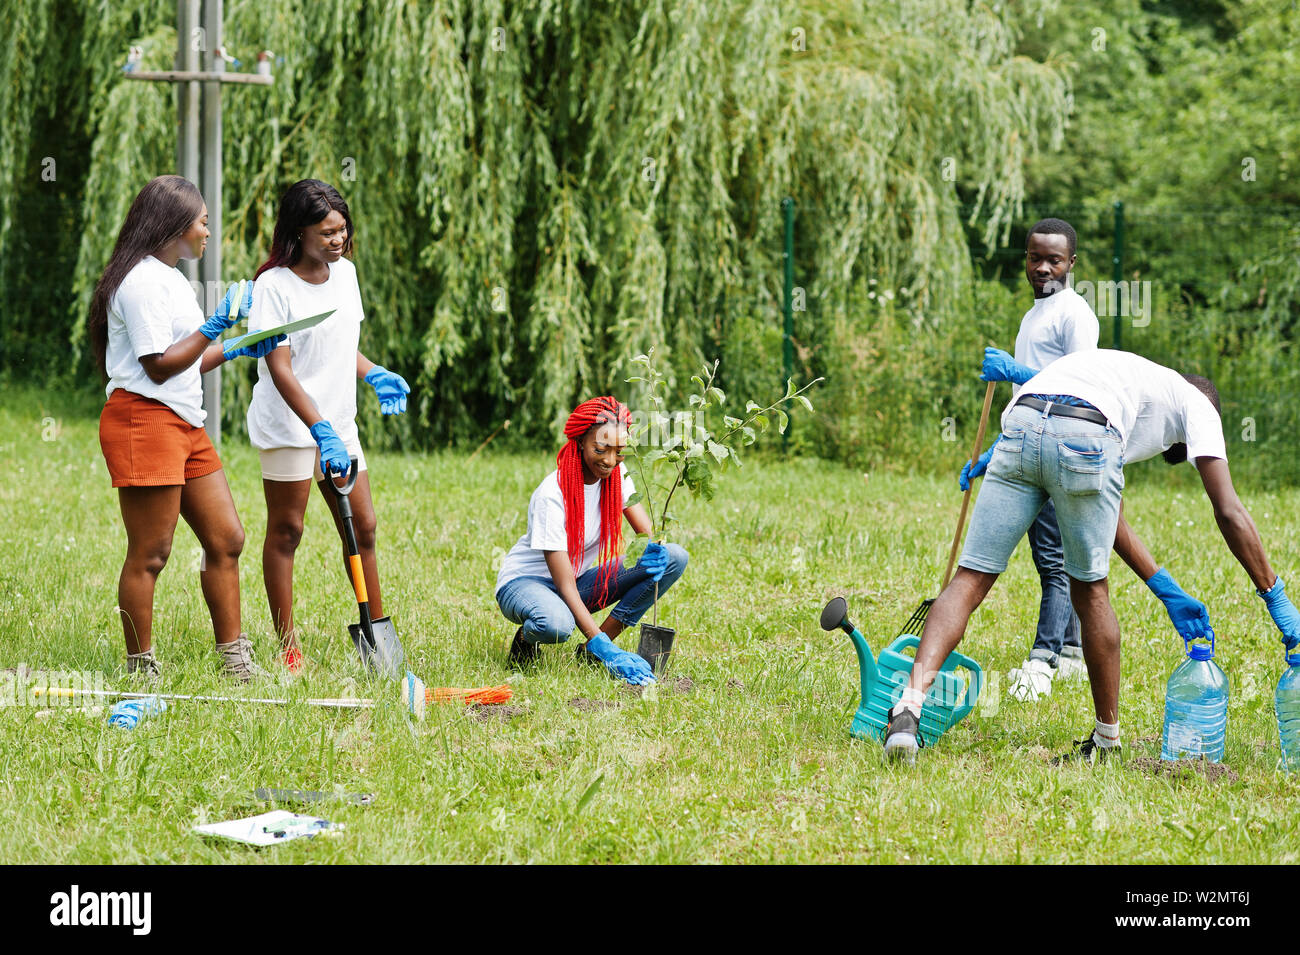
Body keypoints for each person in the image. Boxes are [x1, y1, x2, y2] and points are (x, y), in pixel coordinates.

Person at [883, 349, 1300, 765]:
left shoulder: (1131, 381)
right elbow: (1229, 510)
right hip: (1084, 432)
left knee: (969, 579)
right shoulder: (1198, 404)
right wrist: (1277, 600)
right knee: (1091, 593)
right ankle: (1106, 740)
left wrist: (1165, 589)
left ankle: (908, 709)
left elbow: (1109, 519)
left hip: (1023, 420)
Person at [88, 175, 283, 683]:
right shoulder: (141, 281)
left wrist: (237, 346)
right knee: (151, 553)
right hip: (144, 420)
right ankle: (140, 668)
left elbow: (187, 359)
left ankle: (234, 661)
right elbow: (156, 365)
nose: (207, 233)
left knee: (226, 538)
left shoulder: (171, 277)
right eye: (202, 222)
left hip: (183, 422)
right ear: (174, 225)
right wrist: (214, 325)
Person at [245, 179, 410, 673]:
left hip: (339, 422)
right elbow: (282, 367)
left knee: (363, 527)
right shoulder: (273, 286)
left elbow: (343, 348)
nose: (338, 240)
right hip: (292, 426)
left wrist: (374, 371)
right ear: (298, 233)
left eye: (342, 230)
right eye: (326, 232)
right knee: (288, 531)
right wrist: (319, 429)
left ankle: (375, 632)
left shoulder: (347, 275)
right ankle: (288, 647)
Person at [962, 218, 1098, 700]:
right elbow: (1026, 395)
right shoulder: (1032, 316)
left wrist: (1017, 370)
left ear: (1072, 263)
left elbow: (1081, 385)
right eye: (1035, 258)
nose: (1043, 268)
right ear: (1025, 258)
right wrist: (996, 450)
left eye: (1054, 260)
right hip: (1029, 440)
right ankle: (1073, 652)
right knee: (1063, 557)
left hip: (1060, 445)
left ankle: (1043, 661)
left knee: (1055, 560)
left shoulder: (1074, 313)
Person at [495, 396, 689, 685]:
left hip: (577, 579)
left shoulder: (616, 475)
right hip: (526, 584)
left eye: (619, 451)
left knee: (674, 556)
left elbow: (646, 535)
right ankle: (528, 637)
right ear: (582, 441)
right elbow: (564, 585)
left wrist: (655, 548)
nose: (610, 460)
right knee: (556, 625)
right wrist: (609, 649)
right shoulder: (552, 495)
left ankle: (591, 652)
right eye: (601, 449)